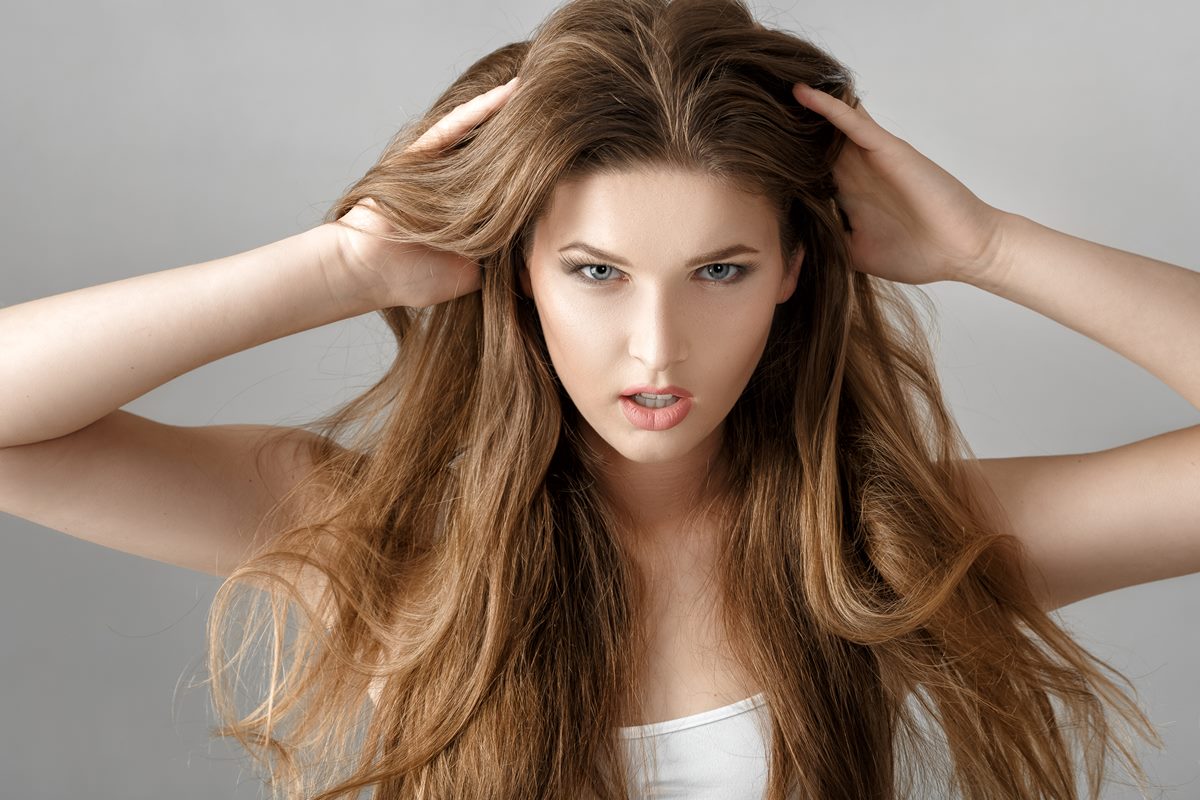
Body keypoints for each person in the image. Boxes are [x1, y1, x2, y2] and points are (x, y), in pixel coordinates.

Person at [0, 0, 1194, 797]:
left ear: (795, 269)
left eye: (718, 270)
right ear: (517, 266)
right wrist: (338, 265)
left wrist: (987, 244)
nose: (656, 347)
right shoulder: (384, 531)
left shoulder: (886, 546)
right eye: (597, 272)